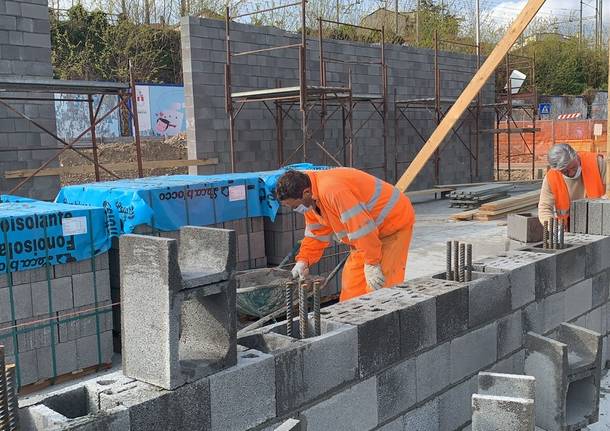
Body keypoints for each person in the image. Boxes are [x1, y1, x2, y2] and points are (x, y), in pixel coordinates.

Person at [274, 167, 415, 302]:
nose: (294, 209)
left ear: (306, 193)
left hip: (393, 225)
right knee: (351, 289)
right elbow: (316, 235)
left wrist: (372, 263)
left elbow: (362, 229)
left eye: (293, 205)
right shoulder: (311, 199)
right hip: (365, 239)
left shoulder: (333, 191)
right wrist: (303, 261)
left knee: (379, 287)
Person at [538, 143, 606, 226]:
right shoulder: (551, 178)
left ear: (576, 156)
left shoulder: (597, 163)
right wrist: (554, 228)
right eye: (565, 171)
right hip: (570, 228)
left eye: (574, 167)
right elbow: (544, 208)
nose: (571, 173)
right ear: (557, 170)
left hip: (602, 222)